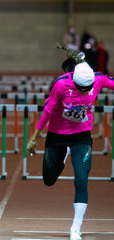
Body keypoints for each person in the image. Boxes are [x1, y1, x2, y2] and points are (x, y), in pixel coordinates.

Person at [27, 47, 114, 240]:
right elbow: (48, 111)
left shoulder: (97, 78)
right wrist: (34, 138)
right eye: (81, 89)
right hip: (57, 136)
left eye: (88, 89)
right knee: (49, 180)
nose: (84, 92)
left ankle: (76, 228)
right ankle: (62, 155)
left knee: (81, 179)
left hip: (81, 135)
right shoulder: (60, 84)